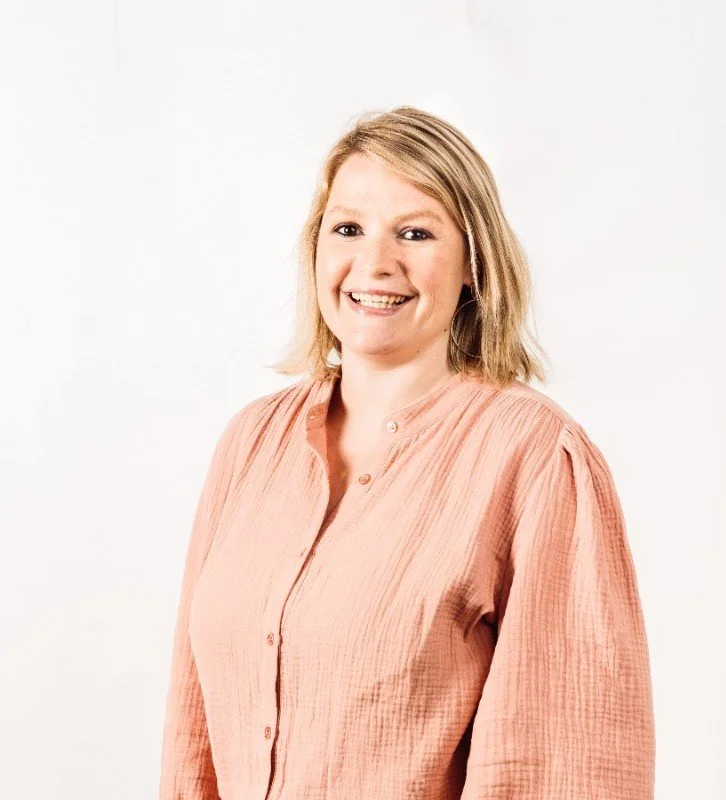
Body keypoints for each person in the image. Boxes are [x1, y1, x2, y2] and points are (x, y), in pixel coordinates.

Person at [158, 105, 656, 800]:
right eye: (348, 228)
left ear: (473, 266)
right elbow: (194, 742)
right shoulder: (251, 445)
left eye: (415, 233)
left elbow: (562, 767)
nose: (375, 263)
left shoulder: (537, 458)